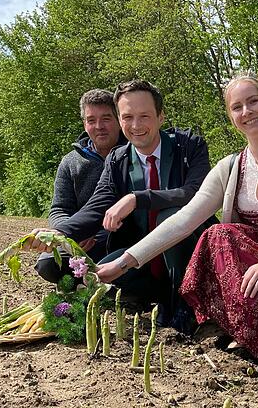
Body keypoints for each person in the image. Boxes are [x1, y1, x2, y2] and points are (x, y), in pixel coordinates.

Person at [97, 73, 258, 364]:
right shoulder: (230, 166)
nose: (246, 112)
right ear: (230, 115)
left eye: (253, 101)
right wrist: (124, 262)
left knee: (231, 242)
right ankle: (245, 328)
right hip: (256, 268)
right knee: (217, 235)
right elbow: (184, 220)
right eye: (237, 107)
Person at [28, 79, 212, 333]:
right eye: (127, 117)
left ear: (161, 116)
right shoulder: (118, 159)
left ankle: (183, 304)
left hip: (190, 254)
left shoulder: (189, 146)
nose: (135, 126)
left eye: (144, 116)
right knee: (96, 276)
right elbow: (96, 207)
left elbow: (194, 193)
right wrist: (61, 234)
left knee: (169, 216)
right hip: (138, 253)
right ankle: (149, 294)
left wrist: (137, 198)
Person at [34, 89, 127, 283]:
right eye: (91, 120)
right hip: (79, 238)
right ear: (84, 124)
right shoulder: (70, 162)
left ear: (118, 120)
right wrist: (70, 237)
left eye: (106, 119)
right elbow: (59, 208)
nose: (99, 126)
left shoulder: (133, 154)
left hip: (123, 237)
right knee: (48, 264)